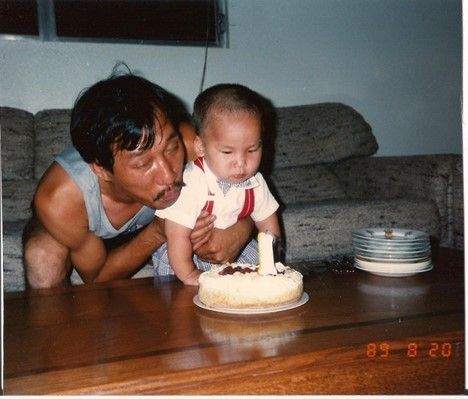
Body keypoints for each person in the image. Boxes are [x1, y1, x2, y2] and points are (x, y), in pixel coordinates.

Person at [22, 71, 254, 289]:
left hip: (163, 227)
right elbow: (96, 277)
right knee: (43, 258)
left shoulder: (193, 144)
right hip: (88, 235)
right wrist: (157, 232)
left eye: (171, 148)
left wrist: (242, 228)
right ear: (101, 170)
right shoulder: (61, 200)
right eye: (143, 164)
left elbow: (251, 185)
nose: (169, 175)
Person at [152, 83, 281, 285]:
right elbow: (176, 234)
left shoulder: (255, 183)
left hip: (233, 251)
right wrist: (188, 274)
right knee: (172, 278)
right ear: (201, 147)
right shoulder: (191, 181)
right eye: (228, 152)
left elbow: (269, 228)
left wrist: (272, 262)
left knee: (257, 259)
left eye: (252, 149)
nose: (241, 163)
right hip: (184, 254)